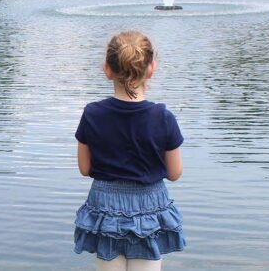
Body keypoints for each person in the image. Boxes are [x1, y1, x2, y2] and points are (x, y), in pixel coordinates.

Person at [73, 31, 185, 271]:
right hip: (149, 208)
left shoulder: (92, 114)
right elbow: (175, 173)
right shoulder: (163, 118)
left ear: (107, 69)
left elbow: (85, 168)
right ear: (151, 69)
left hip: (106, 207)